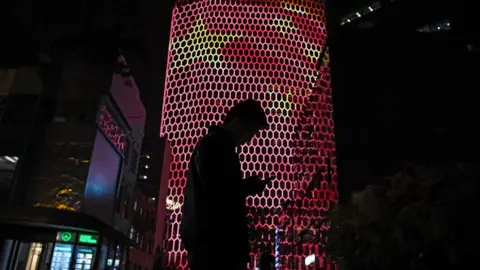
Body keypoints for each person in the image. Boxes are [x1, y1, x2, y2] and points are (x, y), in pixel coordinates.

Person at [180, 99, 274, 270]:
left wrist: (247, 186)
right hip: (215, 249)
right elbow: (218, 192)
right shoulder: (214, 145)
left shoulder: (218, 145)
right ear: (239, 121)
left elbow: (221, 188)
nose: (250, 138)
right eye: (251, 131)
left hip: (215, 248)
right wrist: (249, 187)